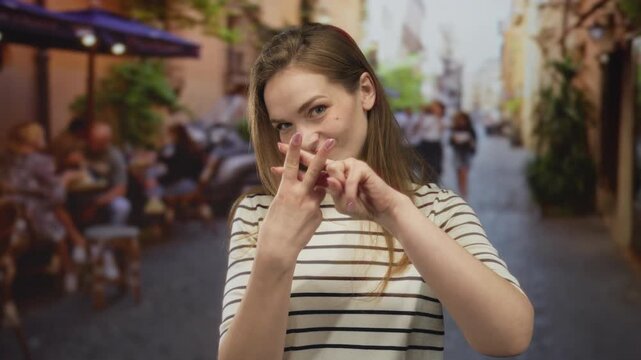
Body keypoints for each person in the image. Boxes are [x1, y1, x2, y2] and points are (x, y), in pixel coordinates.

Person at [218, 24, 533, 360]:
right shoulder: (258, 214)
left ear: (366, 91)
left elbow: (509, 337)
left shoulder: (435, 208)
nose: (305, 138)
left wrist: (395, 212)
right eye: (284, 125)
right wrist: (274, 258)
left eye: (317, 110)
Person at [0, 122, 87, 292]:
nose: (44, 139)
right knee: (57, 211)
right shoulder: (41, 161)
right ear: (33, 139)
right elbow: (56, 195)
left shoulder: (5, 157)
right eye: (41, 136)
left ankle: (72, 250)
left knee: (55, 209)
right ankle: (69, 265)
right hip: (30, 216)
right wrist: (66, 179)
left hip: (8, 210)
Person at [83, 122, 131, 225]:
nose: (92, 144)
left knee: (122, 207)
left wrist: (95, 204)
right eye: (91, 140)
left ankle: (112, 238)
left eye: (97, 142)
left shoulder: (114, 156)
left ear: (106, 142)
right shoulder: (83, 150)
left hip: (105, 195)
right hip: (80, 194)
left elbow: (120, 189)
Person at [413, 100, 446, 181]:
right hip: (426, 144)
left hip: (436, 145)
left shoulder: (443, 119)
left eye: (437, 108)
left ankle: (434, 182)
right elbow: (420, 127)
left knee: (436, 167)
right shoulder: (427, 118)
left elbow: (444, 129)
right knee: (426, 166)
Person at [449, 111, 477, 199]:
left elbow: (474, 143)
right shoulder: (455, 128)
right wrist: (455, 140)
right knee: (459, 173)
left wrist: (469, 144)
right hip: (458, 153)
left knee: (464, 173)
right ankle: (461, 190)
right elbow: (450, 142)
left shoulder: (470, 129)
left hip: (466, 154)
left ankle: (464, 192)